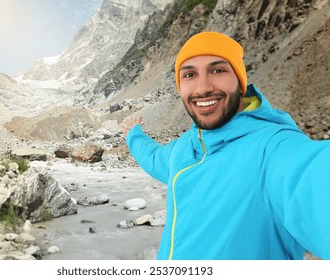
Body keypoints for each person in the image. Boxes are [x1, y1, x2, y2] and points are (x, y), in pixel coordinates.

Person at [120, 31, 330, 260]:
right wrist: (133, 134)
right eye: (189, 74)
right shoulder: (182, 149)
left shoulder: (272, 149)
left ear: (240, 82)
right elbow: (153, 157)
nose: (202, 88)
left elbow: (310, 178)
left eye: (218, 70)